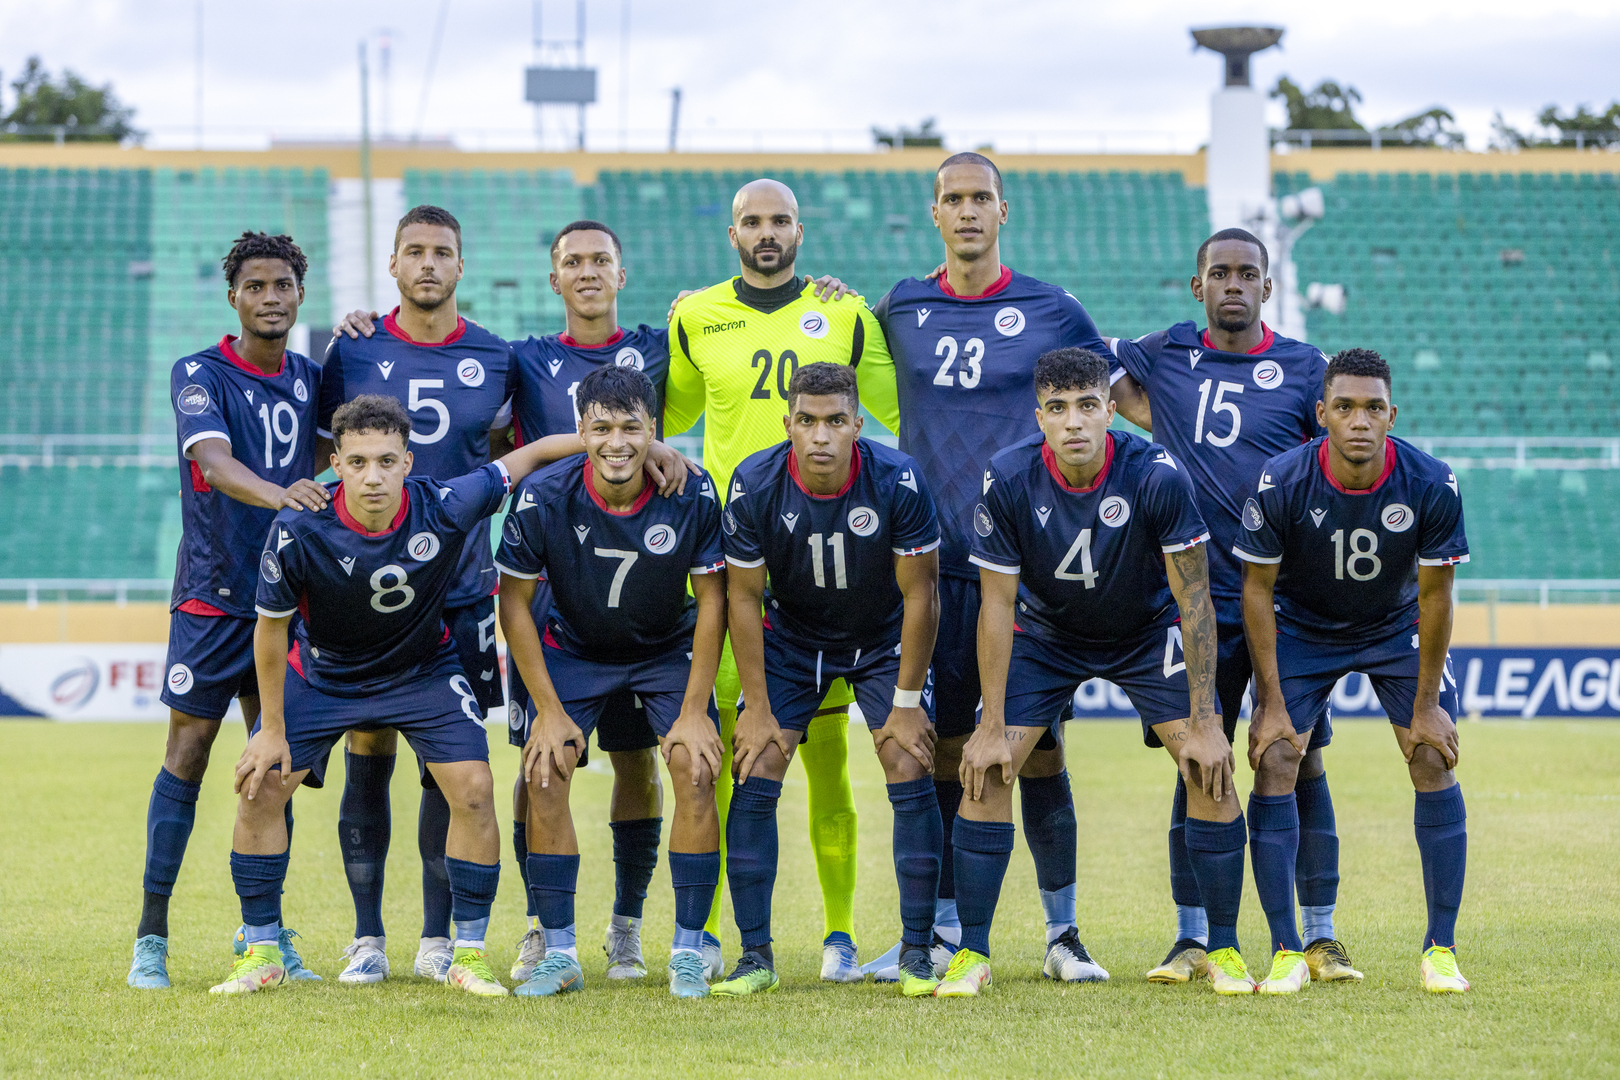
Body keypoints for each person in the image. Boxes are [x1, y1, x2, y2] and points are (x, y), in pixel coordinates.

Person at [333, 218, 841, 982]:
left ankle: (638, 931)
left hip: (650, 585)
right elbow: (458, 397)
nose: (588, 272)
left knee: (650, 765)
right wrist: (371, 327)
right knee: (540, 759)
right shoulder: (520, 357)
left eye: (601, 259)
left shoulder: (662, 341)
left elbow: (736, 339)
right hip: (555, 599)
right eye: (572, 262)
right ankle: (546, 929)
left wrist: (821, 295)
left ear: (621, 271)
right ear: (554, 278)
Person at [213, 394, 586, 996]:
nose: (373, 476)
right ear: (335, 463)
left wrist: (637, 446)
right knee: (261, 783)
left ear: (408, 462)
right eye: (357, 462)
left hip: (422, 672)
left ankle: (467, 954)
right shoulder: (298, 528)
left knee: (474, 788)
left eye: (387, 460)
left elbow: (533, 454)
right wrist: (272, 730)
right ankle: (259, 950)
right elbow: (271, 629)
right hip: (325, 674)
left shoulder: (445, 504)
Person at [859, 151, 1112, 982]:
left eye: (981, 199)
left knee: (1036, 752)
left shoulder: (1053, 309)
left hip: (1021, 572)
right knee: (935, 749)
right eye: (952, 199)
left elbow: (1109, 399)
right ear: (934, 213)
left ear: (1005, 211)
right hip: (929, 569)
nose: (967, 212)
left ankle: (1062, 933)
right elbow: (824, 330)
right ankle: (928, 933)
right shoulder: (900, 304)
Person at [941, 347, 1251, 998]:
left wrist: (1207, 719)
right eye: (1058, 409)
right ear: (1040, 418)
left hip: (1145, 633)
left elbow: (1194, 597)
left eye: (1087, 406)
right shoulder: (1009, 477)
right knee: (990, 766)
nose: (1074, 422)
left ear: (1112, 411)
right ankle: (972, 953)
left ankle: (1220, 947)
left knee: (1208, 764)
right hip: (1047, 636)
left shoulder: (1156, 474)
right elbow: (996, 603)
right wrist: (991, 722)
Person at [1105, 228, 1360, 985]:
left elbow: (1339, 457)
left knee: (1299, 759)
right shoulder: (1165, 352)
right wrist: (1156, 419)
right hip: (1194, 605)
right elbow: (1098, 369)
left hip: (1282, 608)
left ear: (1268, 287)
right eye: (1220, 273)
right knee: (1199, 764)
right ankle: (1194, 939)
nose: (1234, 285)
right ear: (1198, 286)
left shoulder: (1306, 369)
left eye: (1249, 273)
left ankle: (1320, 936)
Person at [665, 178, 891, 981]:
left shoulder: (847, 314)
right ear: (733, 234)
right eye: (753, 222)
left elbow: (893, 413)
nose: (768, 233)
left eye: (781, 220)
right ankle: (716, 937)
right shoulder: (695, 317)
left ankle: (838, 938)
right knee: (737, 756)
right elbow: (669, 418)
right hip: (737, 565)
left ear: (802, 228)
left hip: (828, 566)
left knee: (828, 758)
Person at [1234, 348, 1471, 994]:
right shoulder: (1281, 480)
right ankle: (1287, 949)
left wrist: (1426, 705)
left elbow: (1436, 598)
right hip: (1305, 626)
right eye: (1344, 407)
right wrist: (1272, 702)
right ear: (1322, 415)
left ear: (1392, 416)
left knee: (1430, 754)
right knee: (1278, 754)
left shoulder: (1431, 483)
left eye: (1372, 408)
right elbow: (1256, 590)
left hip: (1393, 628)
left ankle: (1441, 950)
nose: (1359, 420)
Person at [129, 231, 327, 989]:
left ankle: (265, 938)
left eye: (283, 284)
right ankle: (152, 936)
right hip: (213, 598)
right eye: (256, 286)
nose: (271, 297)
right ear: (234, 297)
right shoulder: (200, 373)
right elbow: (211, 461)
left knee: (274, 769)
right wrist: (283, 494)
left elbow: (347, 442)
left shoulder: (312, 377)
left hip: (287, 600)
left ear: (300, 294)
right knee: (189, 750)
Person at [495, 365, 727, 999]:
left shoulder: (692, 491)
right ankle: (559, 947)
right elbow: (512, 603)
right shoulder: (544, 495)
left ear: (654, 431)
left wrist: (696, 710)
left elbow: (714, 600)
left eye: (632, 428)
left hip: (663, 648)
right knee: (543, 765)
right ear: (580, 431)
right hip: (575, 647)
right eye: (601, 429)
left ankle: (682, 945)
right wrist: (545, 709)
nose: (617, 443)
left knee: (693, 762)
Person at [712, 363, 944, 998]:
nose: (820, 436)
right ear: (788, 424)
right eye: (807, 421)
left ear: (856, 425)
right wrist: (755, 704)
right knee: (756, 764)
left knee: (906, 758)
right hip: (792, 640)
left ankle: (918, 954)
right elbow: (743, 598)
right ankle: (755, 957)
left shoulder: (897, 478)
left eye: (835, 421)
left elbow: (922, 595)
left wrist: (902, 703)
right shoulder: (755, 482)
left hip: (882, 639)